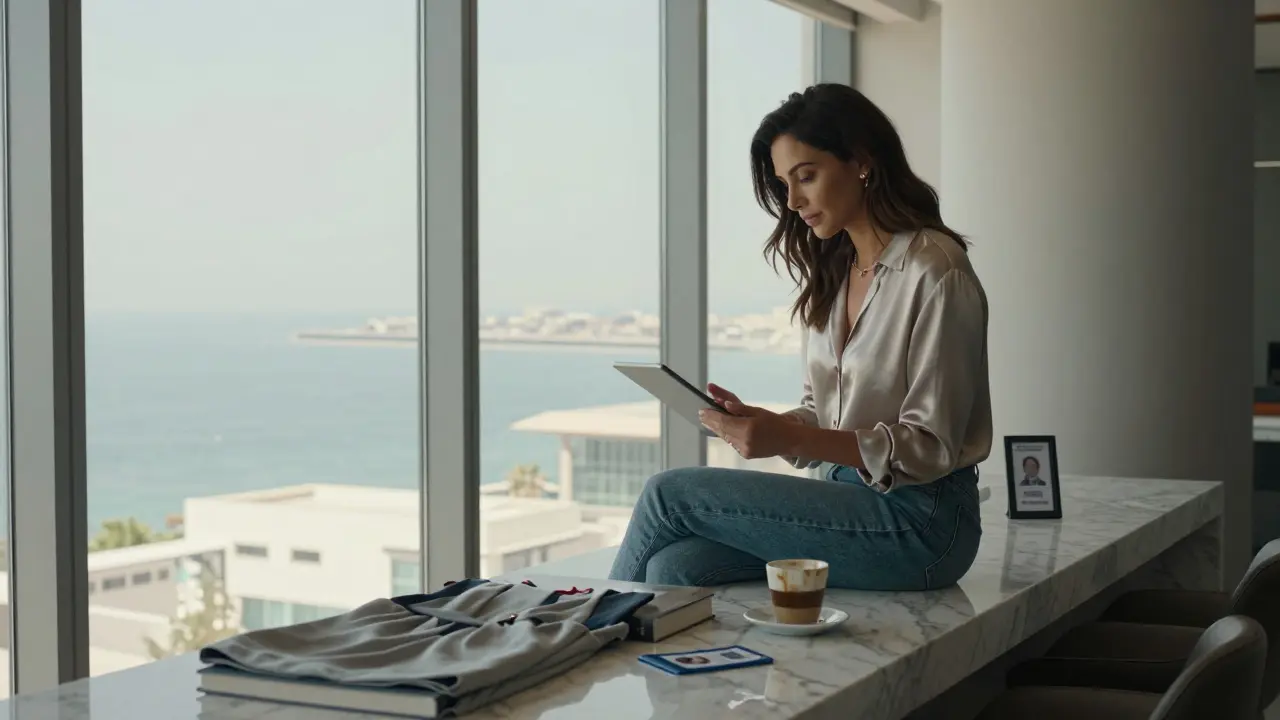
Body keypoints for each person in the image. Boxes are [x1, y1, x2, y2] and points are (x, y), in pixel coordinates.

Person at [607, 84, 992, 592]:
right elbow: (824, 415)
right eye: (783, 183)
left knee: (669, 494)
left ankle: (584, 634)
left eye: (806, 176)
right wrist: (769, 425)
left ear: (860, 161)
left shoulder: (935, 270)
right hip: (847, 501)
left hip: (921, 522)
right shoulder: (836, 273)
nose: (792, 201)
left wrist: (789, 438)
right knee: (675, 568)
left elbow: (929, 447)